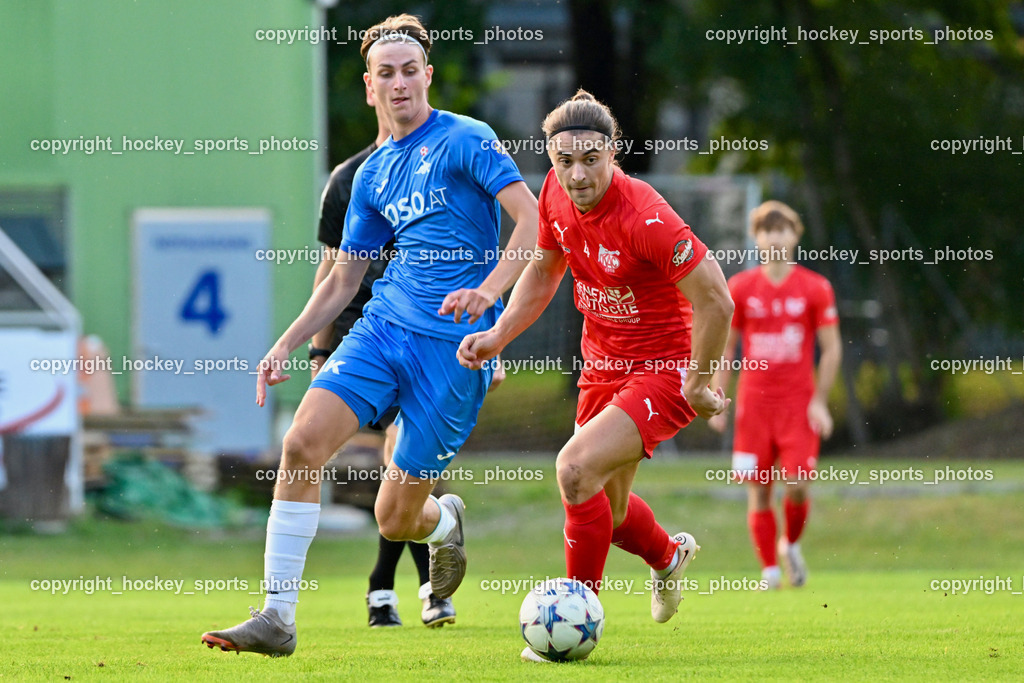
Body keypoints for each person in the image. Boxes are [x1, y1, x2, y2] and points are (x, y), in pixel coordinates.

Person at [201, 13, 538, 656]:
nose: (400, 83)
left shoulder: (469, 139)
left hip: (455, 349)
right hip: (381, 332)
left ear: (428, 77)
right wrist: (286, 343)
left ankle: (444, 524)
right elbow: (339, 281)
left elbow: (529, 225)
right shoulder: (370, 176)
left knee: (395, 518)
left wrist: (489, 296)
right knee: (301, 444)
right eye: (387, 73)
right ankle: (277, 616)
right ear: (369, 87)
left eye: (411, 70)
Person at [455, 90, 734, 662]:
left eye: (590, 159)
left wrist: (699, 383)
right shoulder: (554, 195)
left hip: (665, 367)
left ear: (614, 152)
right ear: (552, 161)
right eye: (565, 161)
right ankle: (667, 556)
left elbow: (717, 300)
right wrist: (498, 335)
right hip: (601, 366)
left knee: (574, 470)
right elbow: (544, 271)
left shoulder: (645, 216)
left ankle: (574, 622)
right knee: (611, 514)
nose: (577, 174)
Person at [708, 200, 841, 589]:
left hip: (798, 405)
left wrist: (820, 400)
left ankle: (791, 545)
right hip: (754, 406)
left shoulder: (815, 287)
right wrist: (718, 399)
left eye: (782, 229)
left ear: (796, 235)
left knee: (797, 484)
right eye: (767, 229)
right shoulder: (742, 287)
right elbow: (726, 348)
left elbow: (831, 347)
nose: (774, 236)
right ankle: (768, 571)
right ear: (757, 237)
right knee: (760, 489)